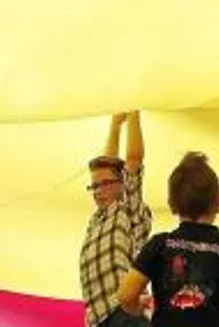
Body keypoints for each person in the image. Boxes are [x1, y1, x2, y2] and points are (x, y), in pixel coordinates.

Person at [115, 151, 219, 327]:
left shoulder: (159, 245)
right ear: (218, 203)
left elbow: (125, 295)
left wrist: (136, 307)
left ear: (172, 205)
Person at [82, 112, 153, 327]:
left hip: (124, 316)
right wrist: (114, 125)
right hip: (100, 320)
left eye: (105, 184)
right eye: (94, 186)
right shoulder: (97, 219)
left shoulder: (126, 210)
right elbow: (108, 165)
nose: (99, 190)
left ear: (123, 184)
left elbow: (133, 160)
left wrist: (132, 116)